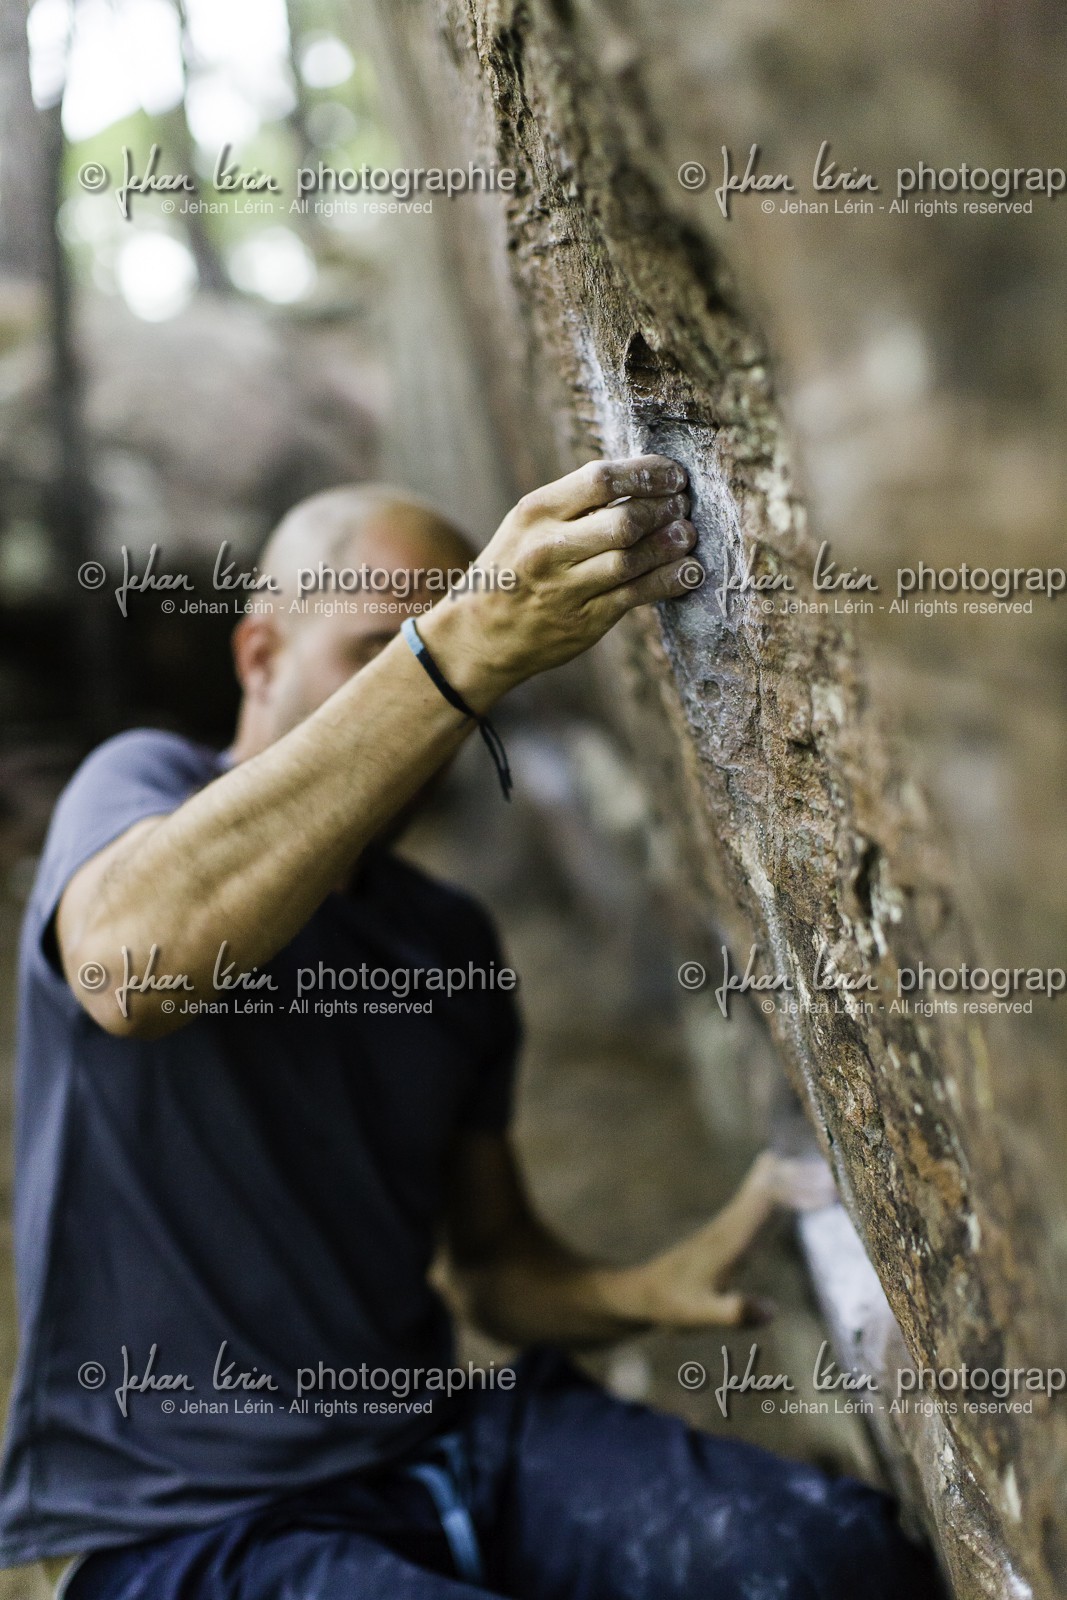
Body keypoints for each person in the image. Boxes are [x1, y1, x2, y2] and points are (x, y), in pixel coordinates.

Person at [0, 460, 940, 1599]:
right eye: (373, 648)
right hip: (180, 1525)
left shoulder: (442, 941)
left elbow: (493, 1266)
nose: (438, 708)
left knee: (832, 1562)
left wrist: (640, 1285)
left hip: (438, 1446)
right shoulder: (138, 789)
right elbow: (127, 971)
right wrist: (456, 650)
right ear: (258, 657)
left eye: (463, 661)